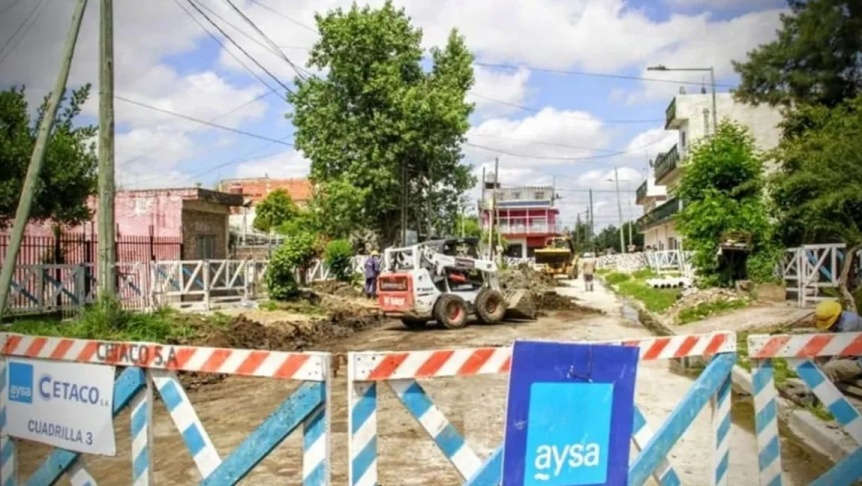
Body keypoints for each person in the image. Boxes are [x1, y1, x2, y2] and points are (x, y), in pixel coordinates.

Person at [814, 300, 862, 382]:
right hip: (852, 355)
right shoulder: (840, 321)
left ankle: (818, 393)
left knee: (829, 368)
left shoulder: (849, 325)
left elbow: (840, 352)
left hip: (859, 361)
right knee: (818, 360)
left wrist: (823, 366)